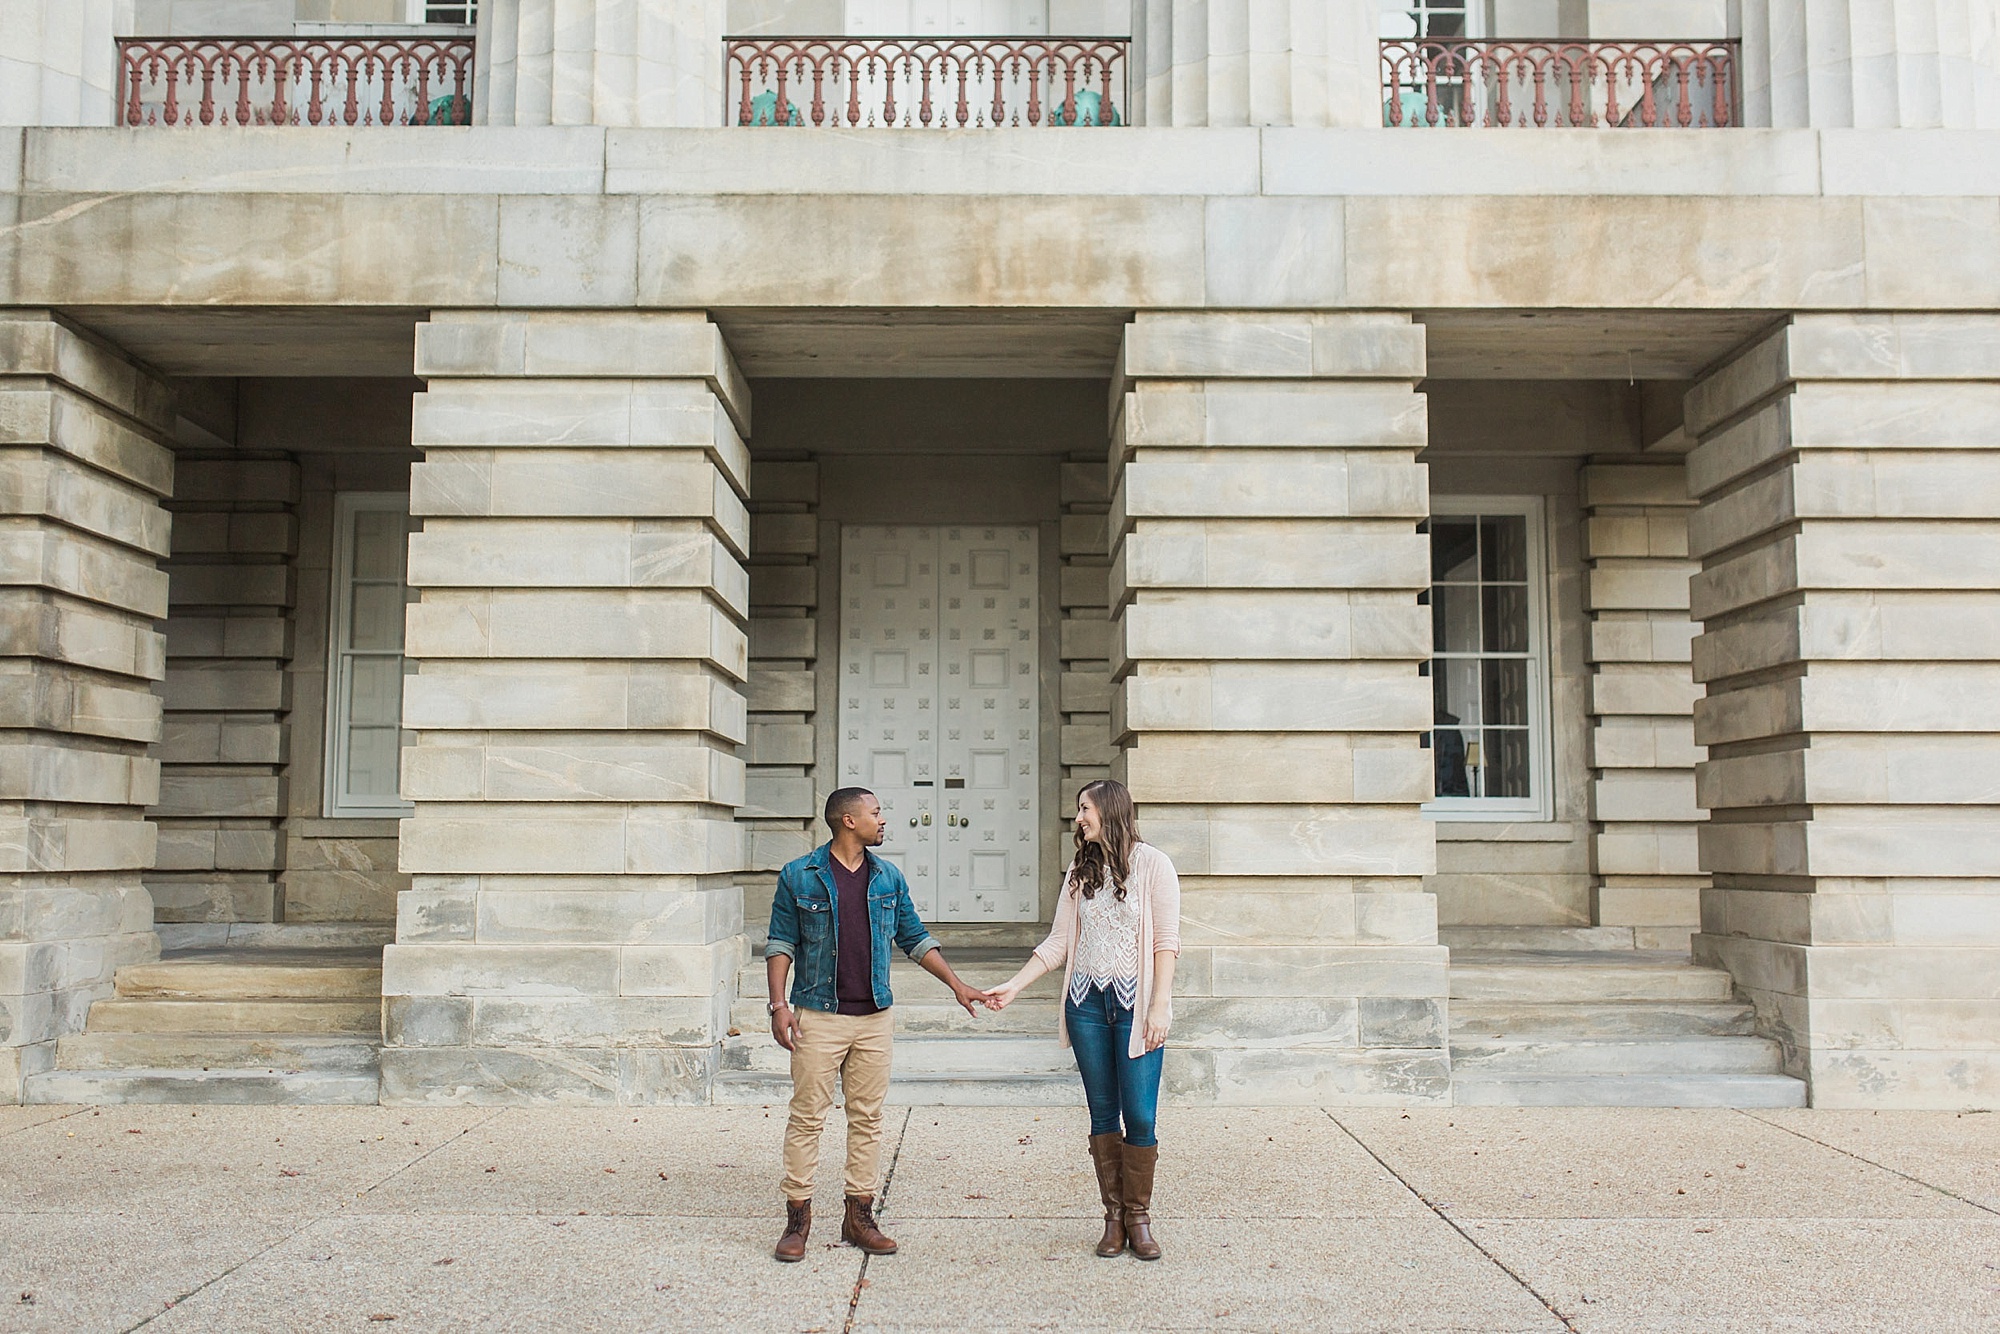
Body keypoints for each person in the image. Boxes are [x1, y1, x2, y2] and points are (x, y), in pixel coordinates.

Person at [766, 787, 990, 1263]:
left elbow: (914, 937)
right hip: (818, 1016)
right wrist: (777, 1006)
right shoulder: (798, 876)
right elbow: (780, 942)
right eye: (875, 812)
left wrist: (956, 983)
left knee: (866, 1118)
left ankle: (858, 1216)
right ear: (848, 821)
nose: (883, 820)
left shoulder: (888, 877)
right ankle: (797, 1221)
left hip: (874, 1019)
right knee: (807, 1118)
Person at [985, 779, 1180, 1260]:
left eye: (1085, 809)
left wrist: (1160, 1004)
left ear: (1109, 811)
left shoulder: (1155, 866)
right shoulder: (1081, 868)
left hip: (1135, 1007)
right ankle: (1114, 1218)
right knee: (1101, 1113)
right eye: (1078, 810)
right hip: (1087, 1005)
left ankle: (1139, 1216)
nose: (1079, 818)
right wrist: (1015, 984)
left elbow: (1166, 942)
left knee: (1140, 1114)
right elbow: (1058, 941)